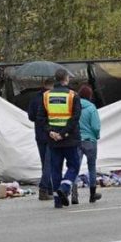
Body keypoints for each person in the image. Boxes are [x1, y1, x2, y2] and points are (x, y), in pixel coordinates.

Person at [37, 68, 82, 208]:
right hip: (69, 139)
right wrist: (63, 133)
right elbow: (75, 118)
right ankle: (64, 187)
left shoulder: (46, 96)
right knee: (74, 165)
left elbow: (40, 118)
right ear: (66, 79)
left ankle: (58, 201)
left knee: (55, 169)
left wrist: (51, 132)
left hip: (53, 140)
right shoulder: (73, 95)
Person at [71, 84, 102, 204]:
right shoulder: (91, 108)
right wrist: (96, 135)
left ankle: (74, 195)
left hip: (76, 141)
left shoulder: (74, 106)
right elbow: (95, 126)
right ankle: (92, 195)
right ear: (90, 96)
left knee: (74, 168)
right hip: (90, 141)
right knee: (92, 167)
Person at [28, 78, 55, 200]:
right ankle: (44, 189)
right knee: (49, 164)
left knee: (45, 163)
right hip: (51, 133)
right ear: (52, 86)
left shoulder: (35, 98)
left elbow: (31, 116)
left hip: (39, 134)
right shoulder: (52, 98)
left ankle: (49, 190)